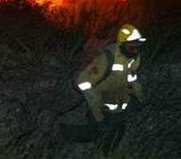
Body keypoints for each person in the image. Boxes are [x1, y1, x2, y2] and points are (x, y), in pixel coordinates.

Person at [61, 24, 146, 155]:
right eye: (132, 45)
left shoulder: (134, 58)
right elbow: (83, 83)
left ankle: (105, 153)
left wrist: (139, 97)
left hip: (118, 106)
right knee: (99, 132)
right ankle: (61, 133)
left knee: (117, 133)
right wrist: (98, 115)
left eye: (137, 44)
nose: (135, 49)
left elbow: (131, 78)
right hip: (101, 106)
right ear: (123, 44)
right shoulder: (107, 58)